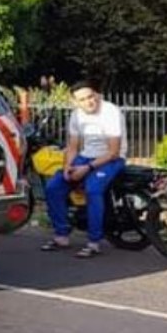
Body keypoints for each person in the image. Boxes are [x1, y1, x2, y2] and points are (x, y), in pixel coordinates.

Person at [41, 81, 127, 258]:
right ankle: (61, 235)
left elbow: (113, 152)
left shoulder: (111, 112)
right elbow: (73, 146)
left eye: (91, 96)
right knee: (54, 186)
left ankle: (94, 242)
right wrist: (67, 166)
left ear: (97, 95)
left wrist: (86, 168)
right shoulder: (76, 115)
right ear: (75, 102)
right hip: (86, 156)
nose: (89, 102)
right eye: (83, 99)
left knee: (93, 189)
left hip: (111, 159)